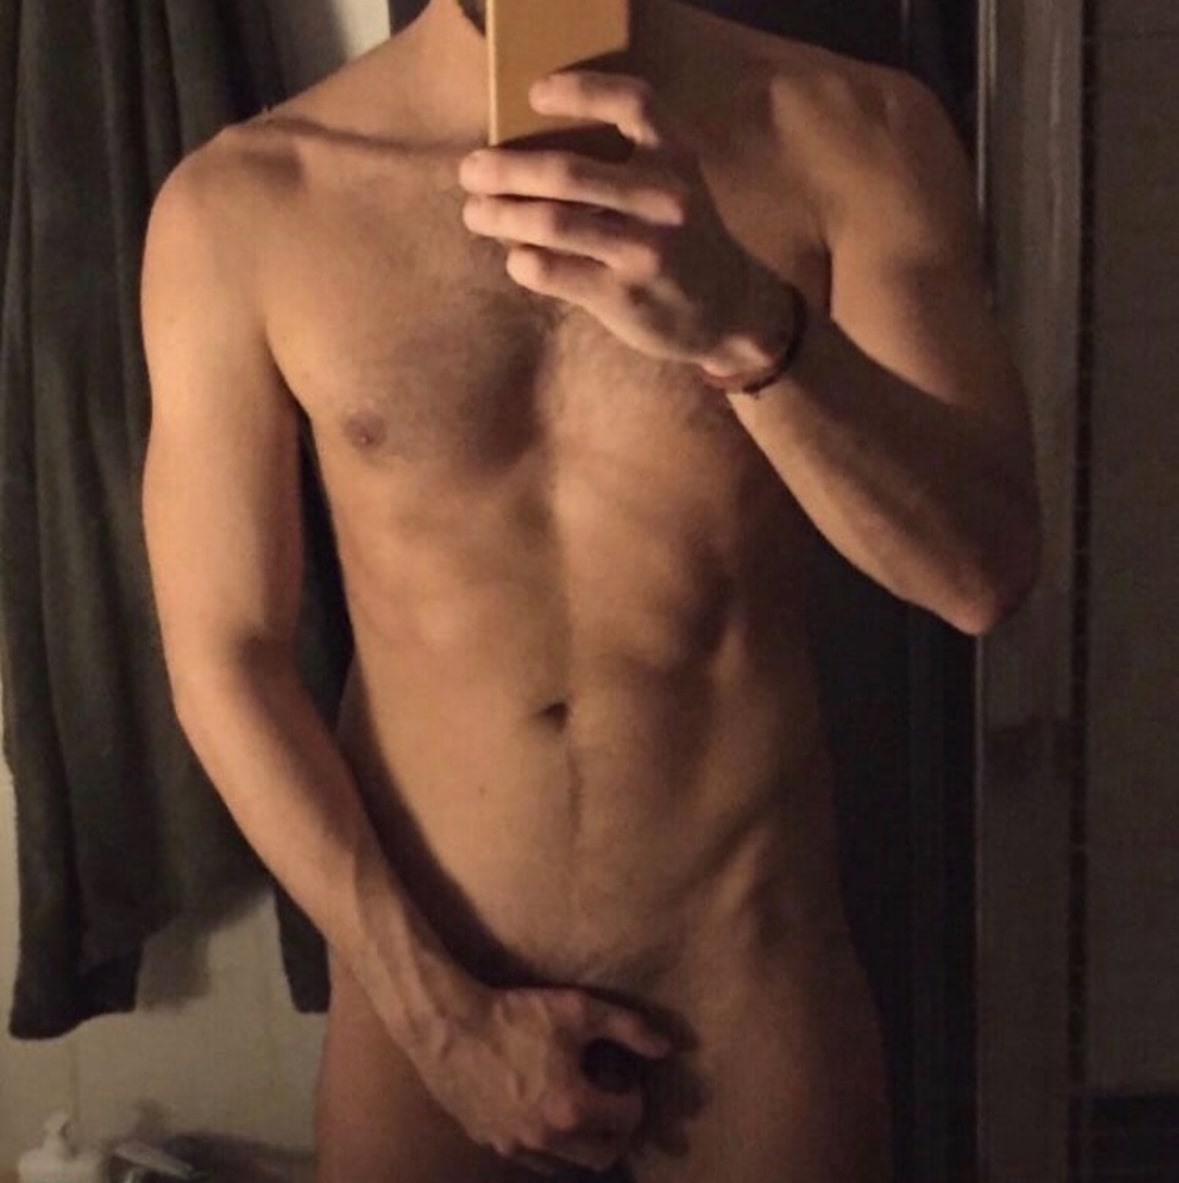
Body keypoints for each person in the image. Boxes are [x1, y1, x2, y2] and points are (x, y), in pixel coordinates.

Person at [140, 0, 1040, 1179]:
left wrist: (748, 331)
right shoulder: (245, 203)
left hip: (749, 984)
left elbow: (981, 574)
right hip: (430, 995)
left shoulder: (849, 132)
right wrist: (436, 1014)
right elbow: (223, 656)